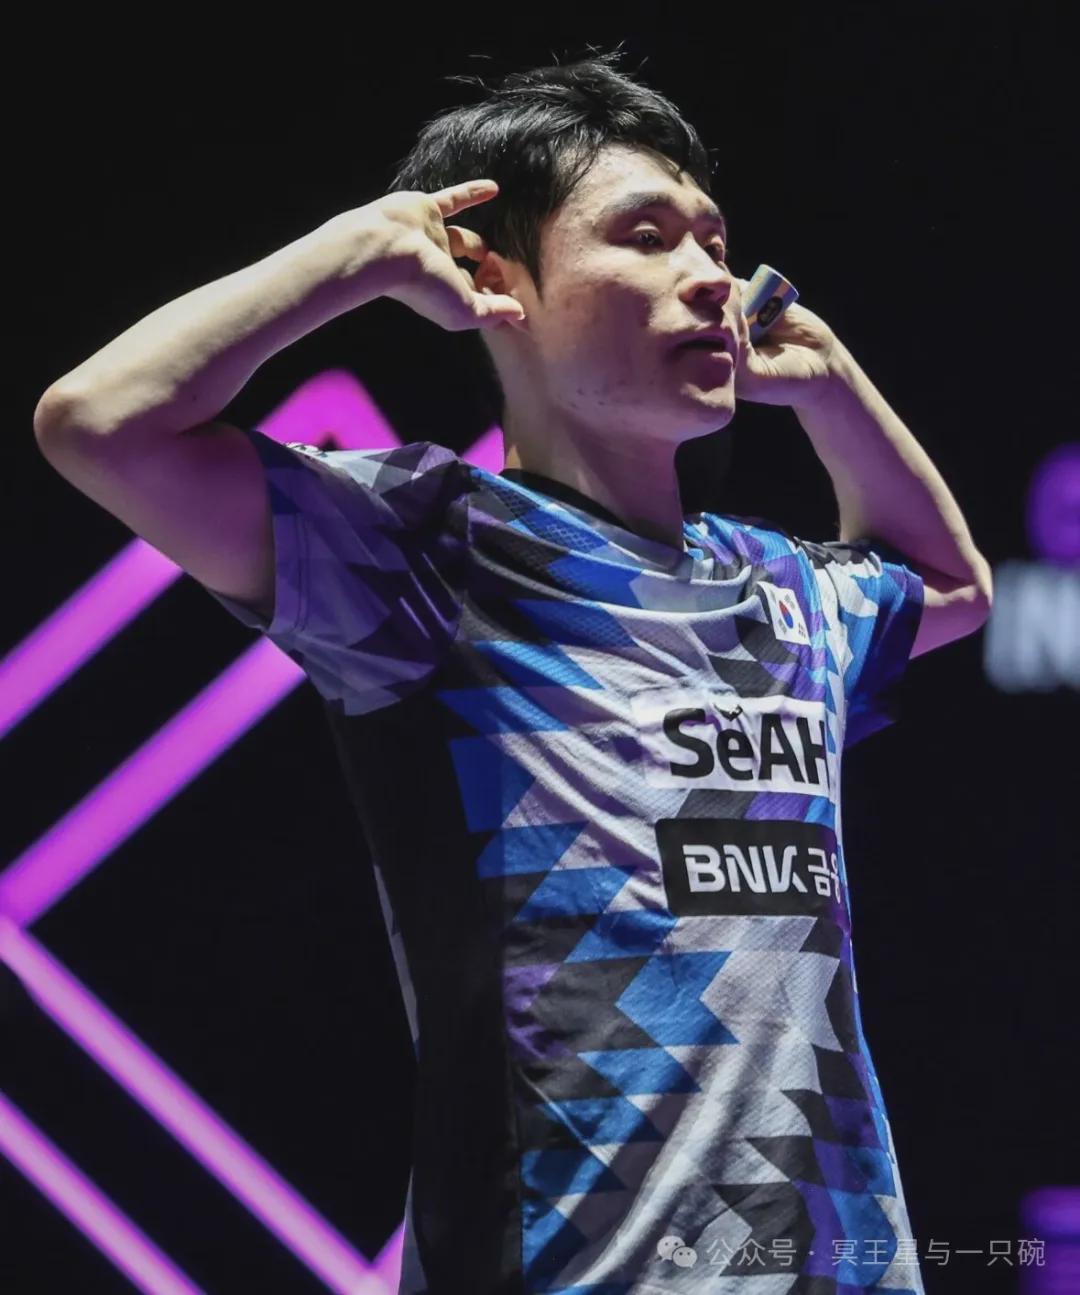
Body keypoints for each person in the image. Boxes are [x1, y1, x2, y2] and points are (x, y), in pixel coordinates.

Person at [33, 47, 992, 1295]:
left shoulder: (781, 589)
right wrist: (354, 257)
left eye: (715, 240)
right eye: (646, 236)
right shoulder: (426, 550)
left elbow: (951, 585)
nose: (711, 276)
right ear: (494, 276)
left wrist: (832, 387)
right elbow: (99, 423)